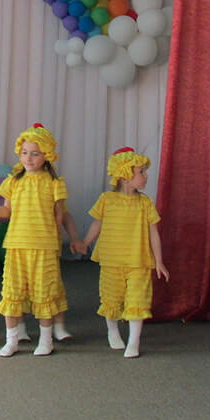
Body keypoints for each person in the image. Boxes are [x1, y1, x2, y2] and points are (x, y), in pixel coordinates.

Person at [0, 123, 69, 357]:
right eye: (25, 152)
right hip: (16, 245)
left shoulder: (54, 183)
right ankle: (12, 341)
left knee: (44, 292)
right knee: (12, 292)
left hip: (43, 247)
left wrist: (56, 239)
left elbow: (60, 215)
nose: (28, 158)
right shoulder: (13, 182)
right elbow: (5, 211)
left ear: (46, 155)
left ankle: (46, 341)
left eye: (35, 153)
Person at [78, 147, 169, 358]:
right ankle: (113, 331)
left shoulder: (145, 203)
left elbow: (153, 233)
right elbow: (97, 224)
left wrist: (159, 261)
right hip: (112, 260)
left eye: (145, 171)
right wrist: (85, 243)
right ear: (125, 176)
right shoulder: (107, 199)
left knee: (138, 300)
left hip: (139, 261)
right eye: (141, 172)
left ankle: (133, 342)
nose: (146, 176)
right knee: (111, 298)